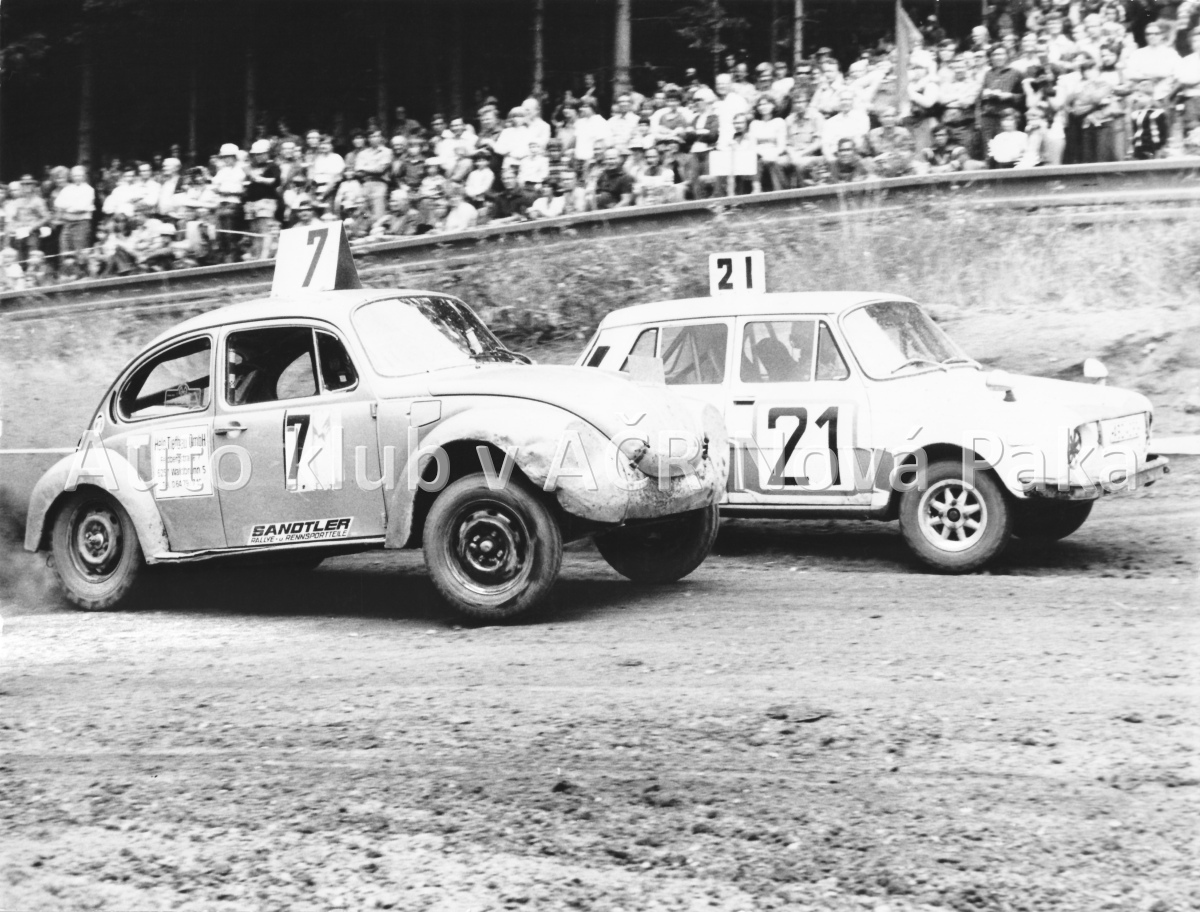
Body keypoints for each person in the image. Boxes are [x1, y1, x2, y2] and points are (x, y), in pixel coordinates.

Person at [243, 138, 280, 259]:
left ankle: (264, 257)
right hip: (251, 203)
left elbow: (274, 181)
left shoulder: (273, 166)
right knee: (254, 231)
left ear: (267, 153)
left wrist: (257, 178)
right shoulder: (251, 167)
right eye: (256, 154)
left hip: (266, 201)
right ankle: (256, 257)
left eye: (260, 154)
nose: (258, 157)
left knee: (265, 230)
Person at [211, 144, 246, 262]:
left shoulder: (241, 170)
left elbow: (242, 190)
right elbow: (214, 186)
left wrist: (226, 192)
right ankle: (223, 257)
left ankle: (233, 258)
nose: (226, 160)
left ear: (235, 157)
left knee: (230, 234)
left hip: (234, 203)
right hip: (221, 203)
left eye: (229, 157)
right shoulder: (222, 171)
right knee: (220, 233)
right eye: (224, 157)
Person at [748, 96, 787, 191]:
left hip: (775, 153)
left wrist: (772, 154)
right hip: (759, 154)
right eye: (760, 105)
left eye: (766, 104)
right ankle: (756, 189)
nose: (763, 107)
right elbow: (752, 145)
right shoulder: (754, 124)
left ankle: (779, 191)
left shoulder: (779, 122)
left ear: (773, 106)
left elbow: (781, 145)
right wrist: (762, 154)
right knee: (756, 161)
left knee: (773, 162)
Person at [55, 166, 96, 254]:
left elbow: (81, 207)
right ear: (71, 176)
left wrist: (67, 207)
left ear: (84, 176)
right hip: (67, 223)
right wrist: (72, 205)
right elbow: (58, 203)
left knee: (79, 251)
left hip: (81, 224)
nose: (77, 178)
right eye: (75, 175)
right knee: (65, 250)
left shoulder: (89, 190)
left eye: (79, 175)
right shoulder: (67, 189)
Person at [355, 129, 394, 223]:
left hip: (380, 183)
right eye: (371, 136)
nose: (374, 139)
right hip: (365, 184)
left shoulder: (386, 152)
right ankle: (366, 227)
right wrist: (374, 168)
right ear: (368, 139)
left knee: (378, 211)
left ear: (381, 138)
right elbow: (358, 172)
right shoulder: (362, 154)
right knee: (364, 210)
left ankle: (379, 226)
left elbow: (381, 170)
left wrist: (364, 168)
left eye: (376, 136)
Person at [867, 105, 917, 177]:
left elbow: (910, 152)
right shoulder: (873, 134)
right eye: (886, 116)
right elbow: (868, 155)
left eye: (892, 116)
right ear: (879, 119)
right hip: (880, 167)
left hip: (901, 165)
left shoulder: (903, 132)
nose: (889, 119)